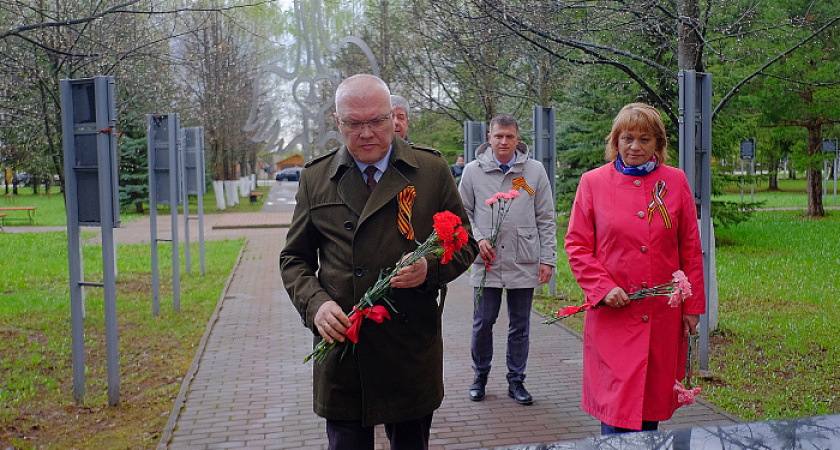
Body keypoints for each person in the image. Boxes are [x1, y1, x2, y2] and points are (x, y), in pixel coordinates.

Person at [280, 74, 478, 450]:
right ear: (337, 123)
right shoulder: (316, 177)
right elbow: (294, 258)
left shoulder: (430, 170)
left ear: (394, 117)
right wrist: (316, 305)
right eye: (354, 123)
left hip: (408, 348)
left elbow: (464, 243)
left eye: (377, 121)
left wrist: (428, 270)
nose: (367, 132)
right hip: (343, 347)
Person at [564, 102, 706, 434]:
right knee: (616, 413)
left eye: (644, 139)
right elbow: (577, 245)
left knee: (649, 410)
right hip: (614, 318)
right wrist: (602, 288)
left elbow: (689, 247)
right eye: (627, 138)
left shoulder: (675, 181)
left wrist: (692, 306)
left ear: (659, 144)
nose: (634, 147)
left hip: (662, 316)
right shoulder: (593, 183)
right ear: (615, 141)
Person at [458, 113, 556, 405]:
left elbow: (546, 218)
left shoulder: (535, 171)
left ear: (517, 138)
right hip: (486, 262)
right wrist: (477, 239)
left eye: (509, 136)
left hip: (523, 258)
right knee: (483, 322)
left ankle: (516, 381)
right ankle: (480, 377)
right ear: (489, 137)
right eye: (498, 135)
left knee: (520, 325)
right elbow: (462, 213)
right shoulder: (473, 171)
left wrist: (548, 259)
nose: (503, 141)